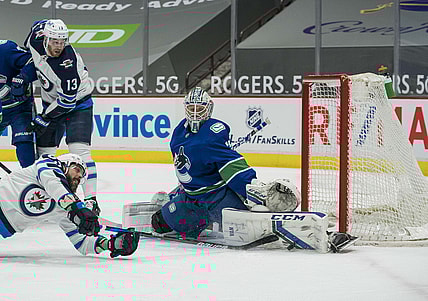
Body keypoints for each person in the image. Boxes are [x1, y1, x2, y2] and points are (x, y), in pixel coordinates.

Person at [150, 87, 300, 239]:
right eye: (191, 108)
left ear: (208, 108)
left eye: (200, 108)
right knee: (158, 223)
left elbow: (231, 166)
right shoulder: (178, 133)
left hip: (216, 197)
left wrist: (251, 187)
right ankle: (179, 199)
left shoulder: (212, 134)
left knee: (248, 228)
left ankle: (257, 201)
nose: (195, 112)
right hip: (190, 197)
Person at [10, 19, 100, 215]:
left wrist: (44, 117)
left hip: (78, 104)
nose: (59, 46)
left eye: (62, 42)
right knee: (44, 155)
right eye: (55, 41)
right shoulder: (35, 37)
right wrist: (24, 76)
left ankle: (92, 200)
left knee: (80, 150)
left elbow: (67, 102)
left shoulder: (67, 66)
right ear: (46, 38)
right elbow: (34, 59)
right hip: (50, 102)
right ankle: (48, 192)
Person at [0, 153, 139, 258]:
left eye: (82, 176)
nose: (79, 177)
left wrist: (109, 244)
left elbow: (81, 242)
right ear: (65, 165)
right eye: (77, 170)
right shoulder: (47, 163)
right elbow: (53, 182)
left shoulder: (67, 207)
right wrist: (76, 207)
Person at [0, 39, 37, 168]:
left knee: (24, 142)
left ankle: (32, 179)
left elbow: (34, 62)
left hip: (19, 107)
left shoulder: (6, 49)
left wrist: (23, 78)